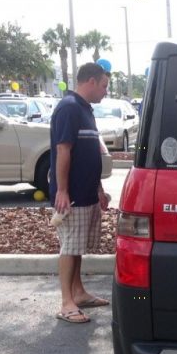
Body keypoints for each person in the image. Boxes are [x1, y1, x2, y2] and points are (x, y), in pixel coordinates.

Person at [49, 62, 111, 324]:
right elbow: (63, 150)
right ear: (92, 81)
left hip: (87, 191)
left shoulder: (86, 110)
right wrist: (62, 190)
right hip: (71, 194)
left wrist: (99, 188)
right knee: (69, 247)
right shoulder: (69, 108)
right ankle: (66, 303)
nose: (106, 91)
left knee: (77, 248)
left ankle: (79, 292)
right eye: (105, 86)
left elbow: (89, 154)